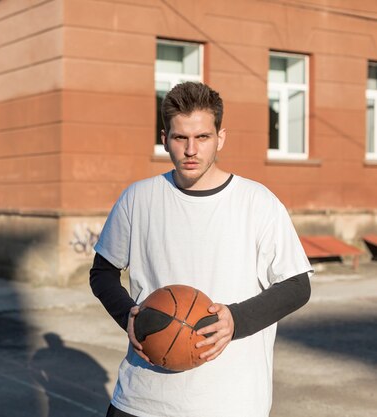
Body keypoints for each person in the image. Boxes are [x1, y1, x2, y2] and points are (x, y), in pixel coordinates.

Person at [90, 81, 313, 417]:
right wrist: (128, 316)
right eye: (180, 138)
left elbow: (298, 286)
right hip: (142, 399)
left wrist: (235, 320)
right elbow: (102, 273)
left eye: (203, 137)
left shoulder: (258, 202)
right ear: (165, 139)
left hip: (230, 402)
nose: (191, 150)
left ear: (220, 138)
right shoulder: (138, 198)